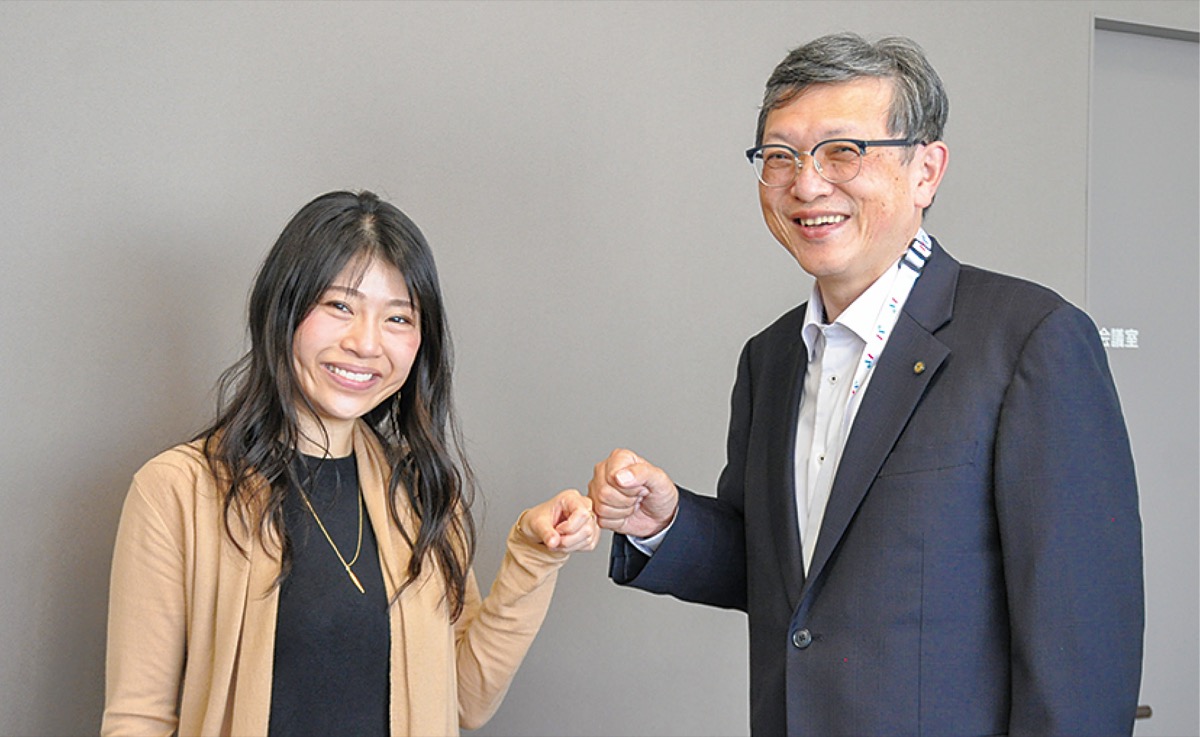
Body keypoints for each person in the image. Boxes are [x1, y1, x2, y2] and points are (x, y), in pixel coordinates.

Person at [589, 32, 1144, 736]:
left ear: (926, 171)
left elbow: (1083, 650)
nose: (807, 184)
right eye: (780, 156)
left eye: (843, 151)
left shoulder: (1030, 341)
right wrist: (665, 524)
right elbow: (787, 575)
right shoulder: (770, 359)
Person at [102, 190, 599, 736]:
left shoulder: (422, 491)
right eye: (340, 306)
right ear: (283, 308)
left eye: (398, 318)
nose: (366, 344)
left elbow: (465, 702)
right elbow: (137, 719)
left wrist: (533, 557)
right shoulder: (176, 491)